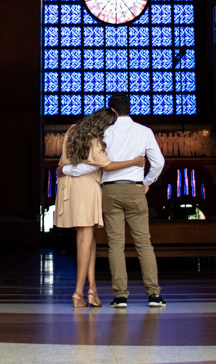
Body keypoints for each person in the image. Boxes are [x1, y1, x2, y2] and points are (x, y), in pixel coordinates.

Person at [65, 92, 165, 308]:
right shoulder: (144, 131)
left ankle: (120, 297)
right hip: (135, 189)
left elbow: (96, 163)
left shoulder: (104, 132)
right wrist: (147, 181)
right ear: (130, 108)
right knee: (144, 243)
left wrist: (66, 169)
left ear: (111, 110)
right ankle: (154, 295)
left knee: (115, 245)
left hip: (109, 191)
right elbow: (158, 162)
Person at [53, 108, 146, 308]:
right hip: (86, 189)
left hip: (69, 188)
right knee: (85, 239)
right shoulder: (96, 141)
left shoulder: (73, 130)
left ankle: (92, 289)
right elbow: (104, 165)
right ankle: (78, 293)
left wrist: (66, 169)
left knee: (89, 240)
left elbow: (69, 165)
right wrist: (136, 161)